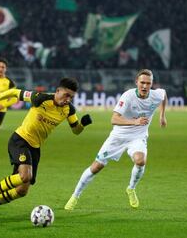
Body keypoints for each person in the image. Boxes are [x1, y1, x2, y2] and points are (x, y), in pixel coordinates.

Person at [0, 77, 92, 221]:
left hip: (35, 148)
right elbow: (13, 92)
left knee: (22, 190)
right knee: (25, 176)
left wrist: (83, 125)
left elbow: (76, 130)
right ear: (58, 91)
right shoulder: (39, 98)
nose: (68, 99)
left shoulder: (68, 109)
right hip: (20, 140)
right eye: (66, 95)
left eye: (71, 97)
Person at [64, 69, 167, 210]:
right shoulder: (128, 96)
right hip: (118, 137)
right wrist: (135, 122)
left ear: (151, 84)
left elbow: (164, 95)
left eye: (148, 83)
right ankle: (75, 196)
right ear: (136, 82)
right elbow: (114, 119)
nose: (144, 86)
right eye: (142, 82)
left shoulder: (156, 95)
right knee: (96, 167)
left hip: (138, 136)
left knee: (140, 160)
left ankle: (131, 189)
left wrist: (162, 115)